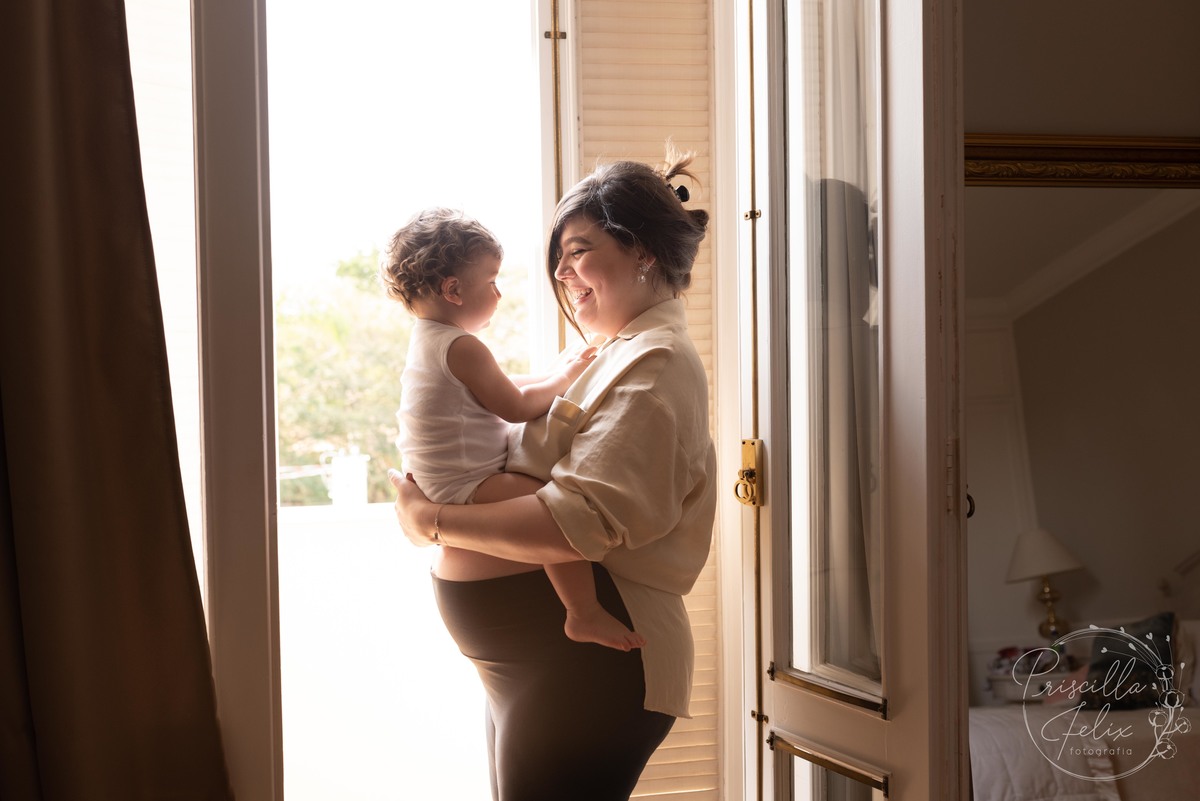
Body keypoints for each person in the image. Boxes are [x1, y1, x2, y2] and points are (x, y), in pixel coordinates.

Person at [389, 150, 717, 800]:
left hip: (584, 670)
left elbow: (570, 525)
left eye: (578, 251)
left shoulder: (652, 369)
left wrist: (433, 519)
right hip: (535, 665)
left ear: (643, 251)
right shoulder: (613, 352)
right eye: (558, 258)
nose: (561, 273)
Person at [381, 207, 644, 651]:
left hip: (439, 485)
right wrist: (563, 380)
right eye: (492, 281)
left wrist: (550, 375)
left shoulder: (428, 338)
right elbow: (514, 406)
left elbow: (492, 392)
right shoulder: (462, 346)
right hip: (463, 485)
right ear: (454, 290)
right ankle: (583, 613)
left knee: (551, 509)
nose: (499, 294)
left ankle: (583, 612)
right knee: (558, 515)